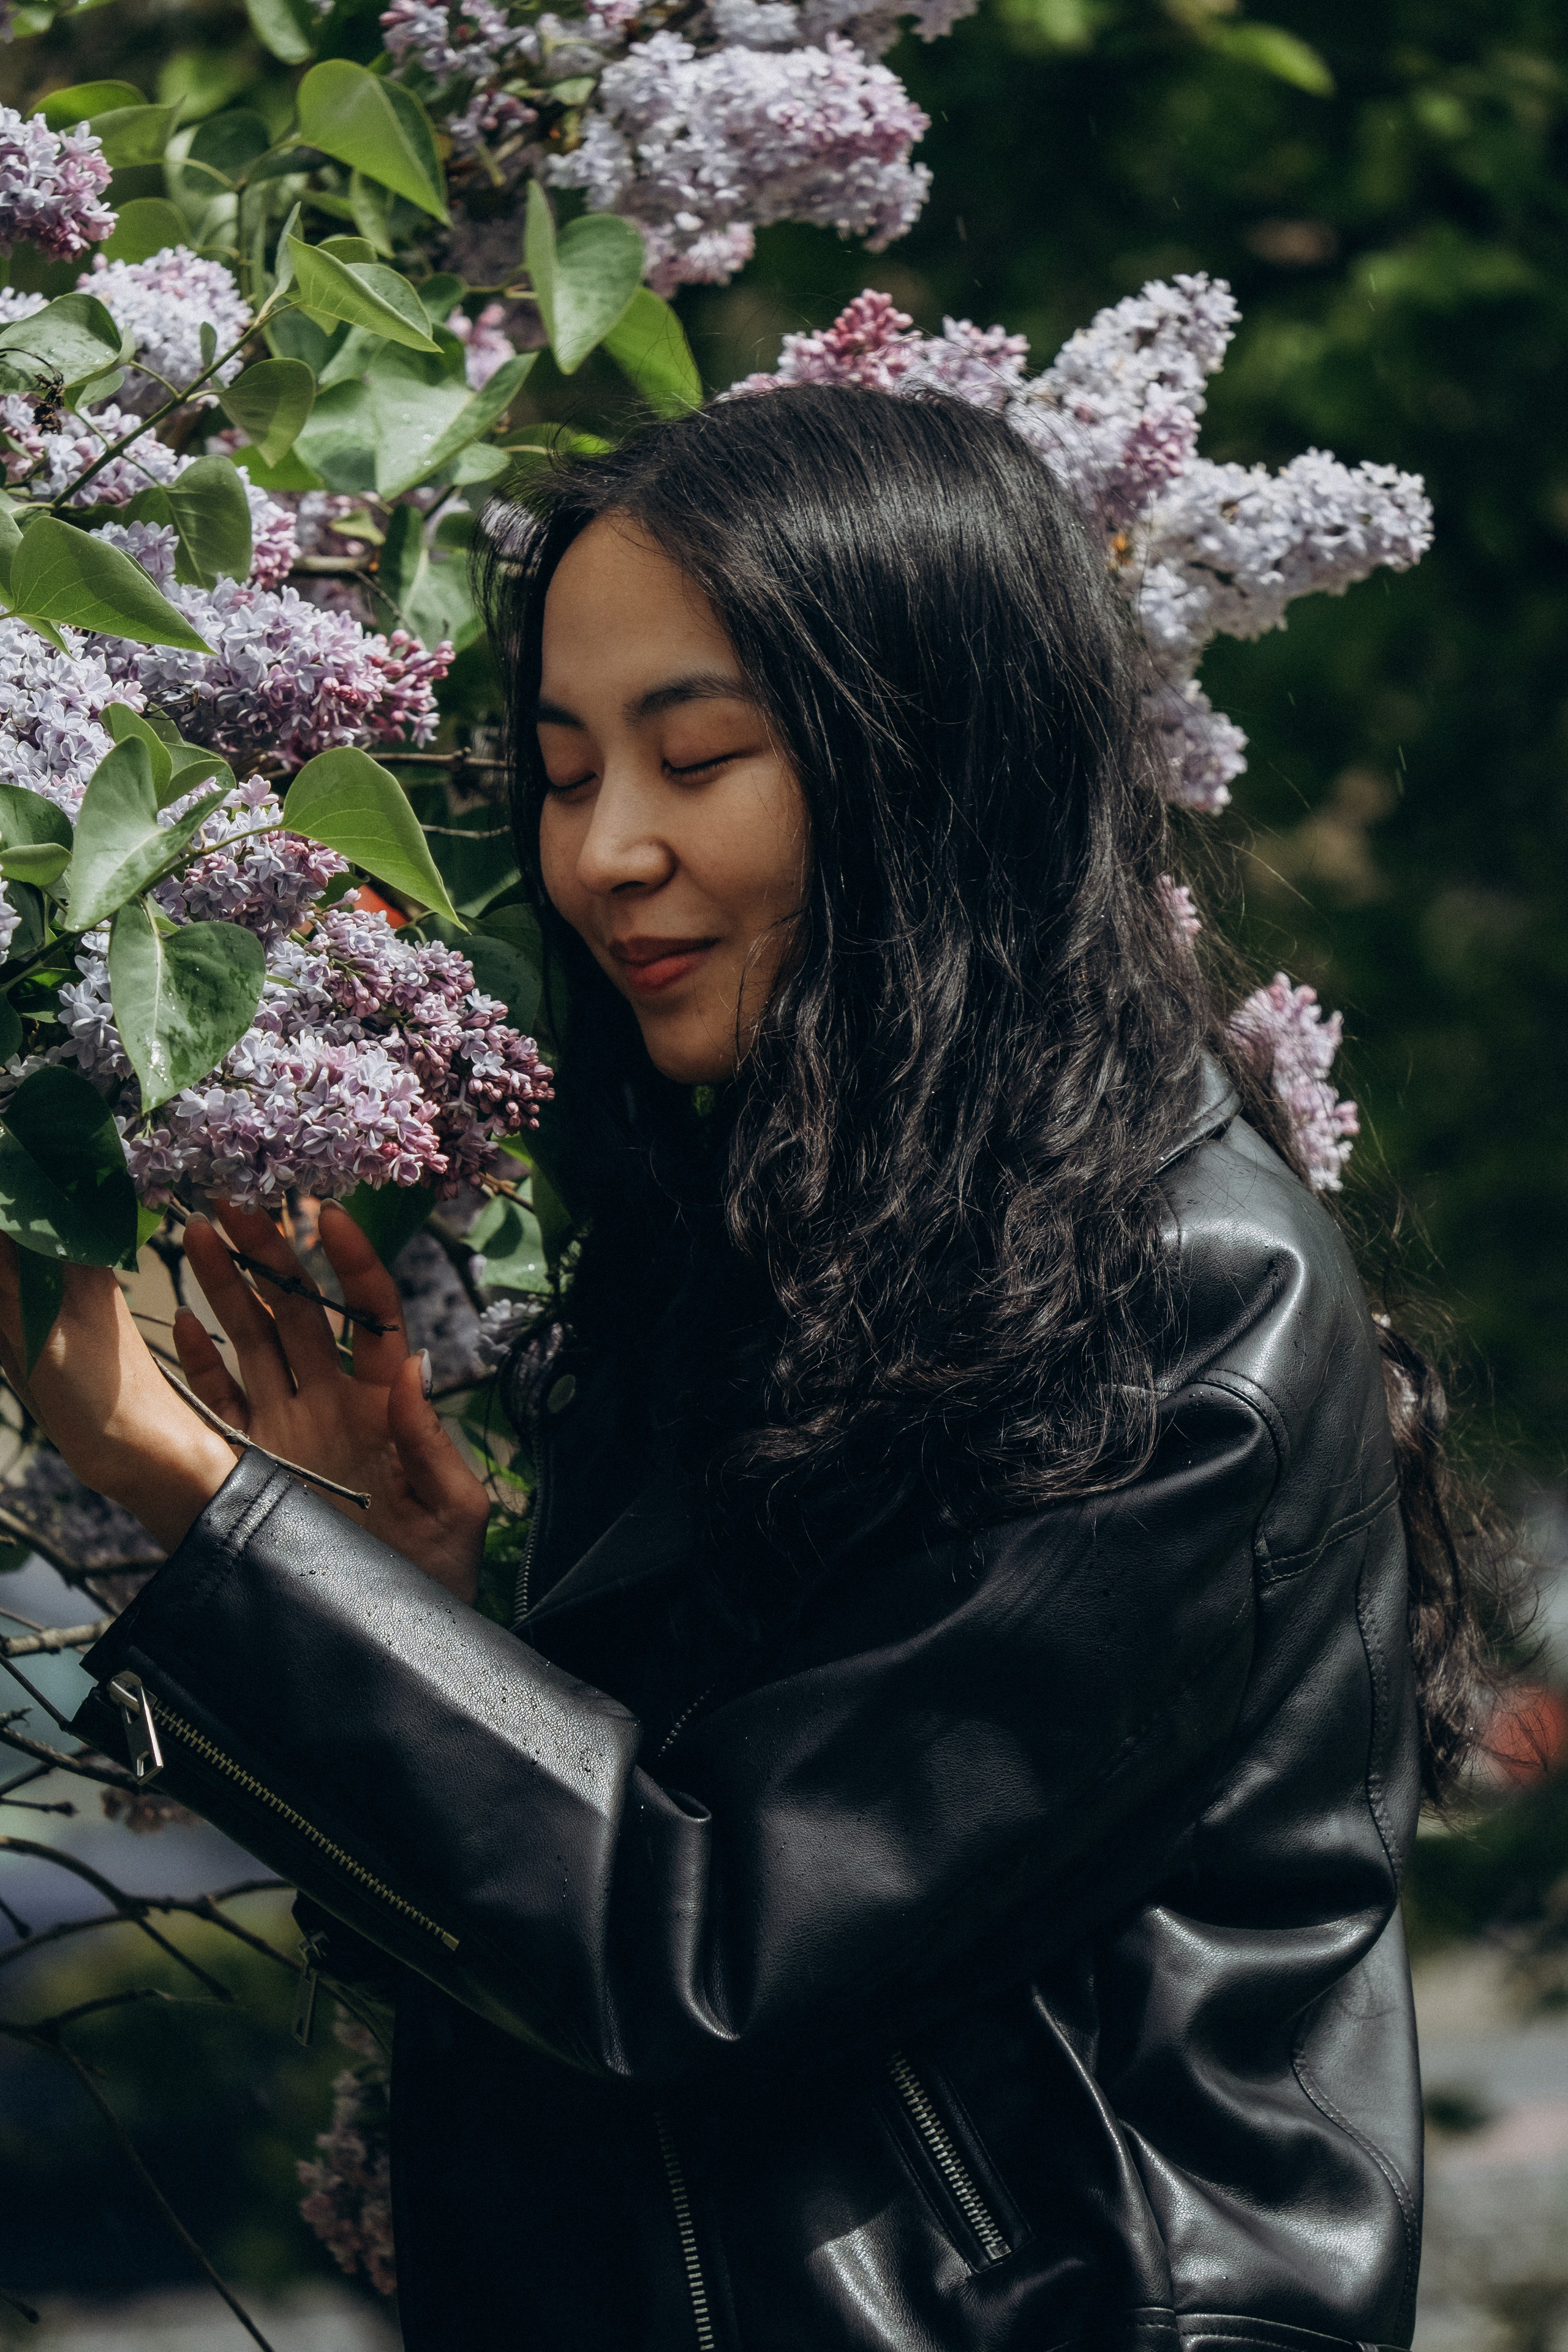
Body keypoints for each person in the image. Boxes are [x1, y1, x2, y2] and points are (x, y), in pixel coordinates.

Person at [0, 386, 1491, 2351]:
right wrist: (421, 1617)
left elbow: (708, 1944)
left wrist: (191, 1486)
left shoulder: (1179, 1302)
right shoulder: (789, 1236)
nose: (606, 849)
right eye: (558, 770)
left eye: (700, 757)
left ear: (931, 774)